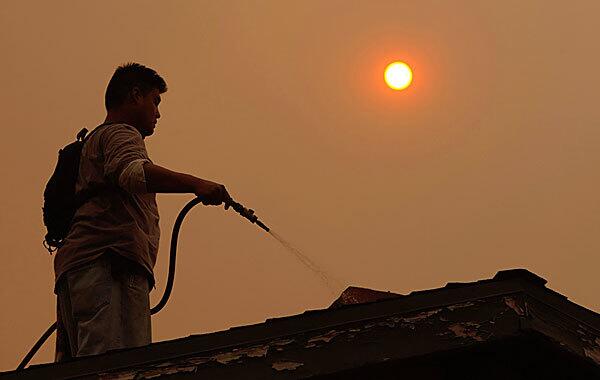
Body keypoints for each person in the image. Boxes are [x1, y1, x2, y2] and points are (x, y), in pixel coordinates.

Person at [53, 62, 231, 361]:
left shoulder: (94, 142)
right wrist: (198, 184)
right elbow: (134, 173)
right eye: (155, 101)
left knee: (82, 366)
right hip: (109, 264)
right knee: (116, 366)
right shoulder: (120, 134)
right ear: (135, 95)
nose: (158, 113)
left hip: (81, 268)